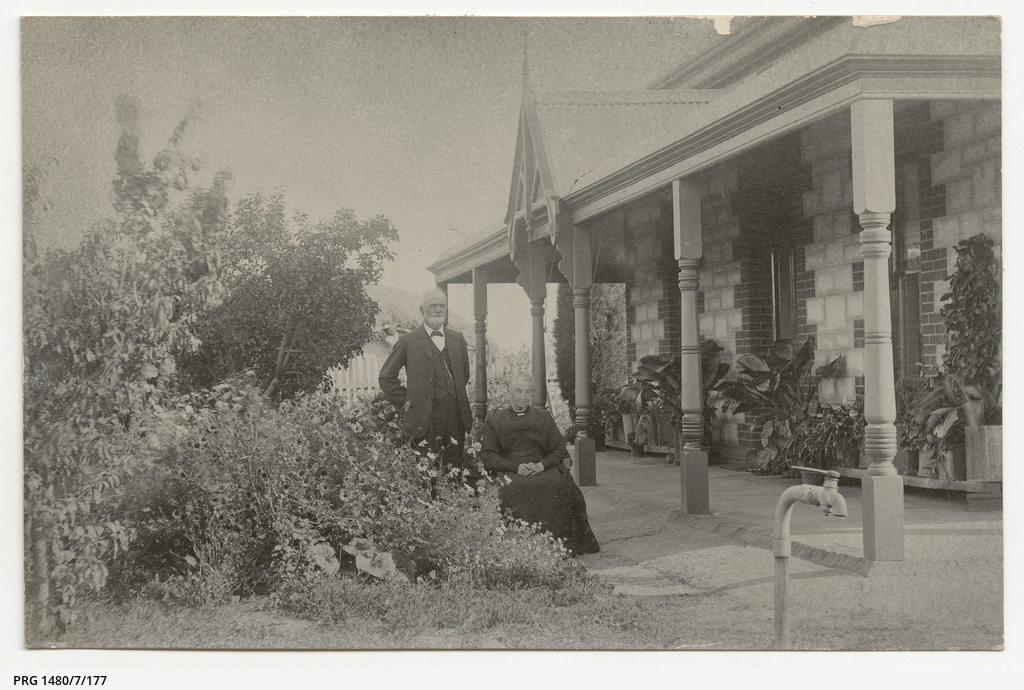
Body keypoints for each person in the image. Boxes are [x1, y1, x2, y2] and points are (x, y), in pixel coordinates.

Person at [480, 372, 600, 556]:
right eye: (518, 391)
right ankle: (519, 546)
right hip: (510, 468)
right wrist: (515, 467)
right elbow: (488, 456)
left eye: (528, 392)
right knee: (509, 489)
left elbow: (560, 449)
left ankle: (558, 543)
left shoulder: (543, 417)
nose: (523, 396)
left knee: (559, 484)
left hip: (540, 466)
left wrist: (541, 465)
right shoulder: (495, 420)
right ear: (509, 392)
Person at [378, 289, 474, 476]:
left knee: (454, 472)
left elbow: (464, 374)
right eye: (433, 305)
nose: (439, 310)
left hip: (455, 416)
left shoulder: (457, 339)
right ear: (422, 310)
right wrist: (408, 402)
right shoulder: (408, 341)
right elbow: (386, 377)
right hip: (424, 419)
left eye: (442, 306)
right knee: (427, 474)